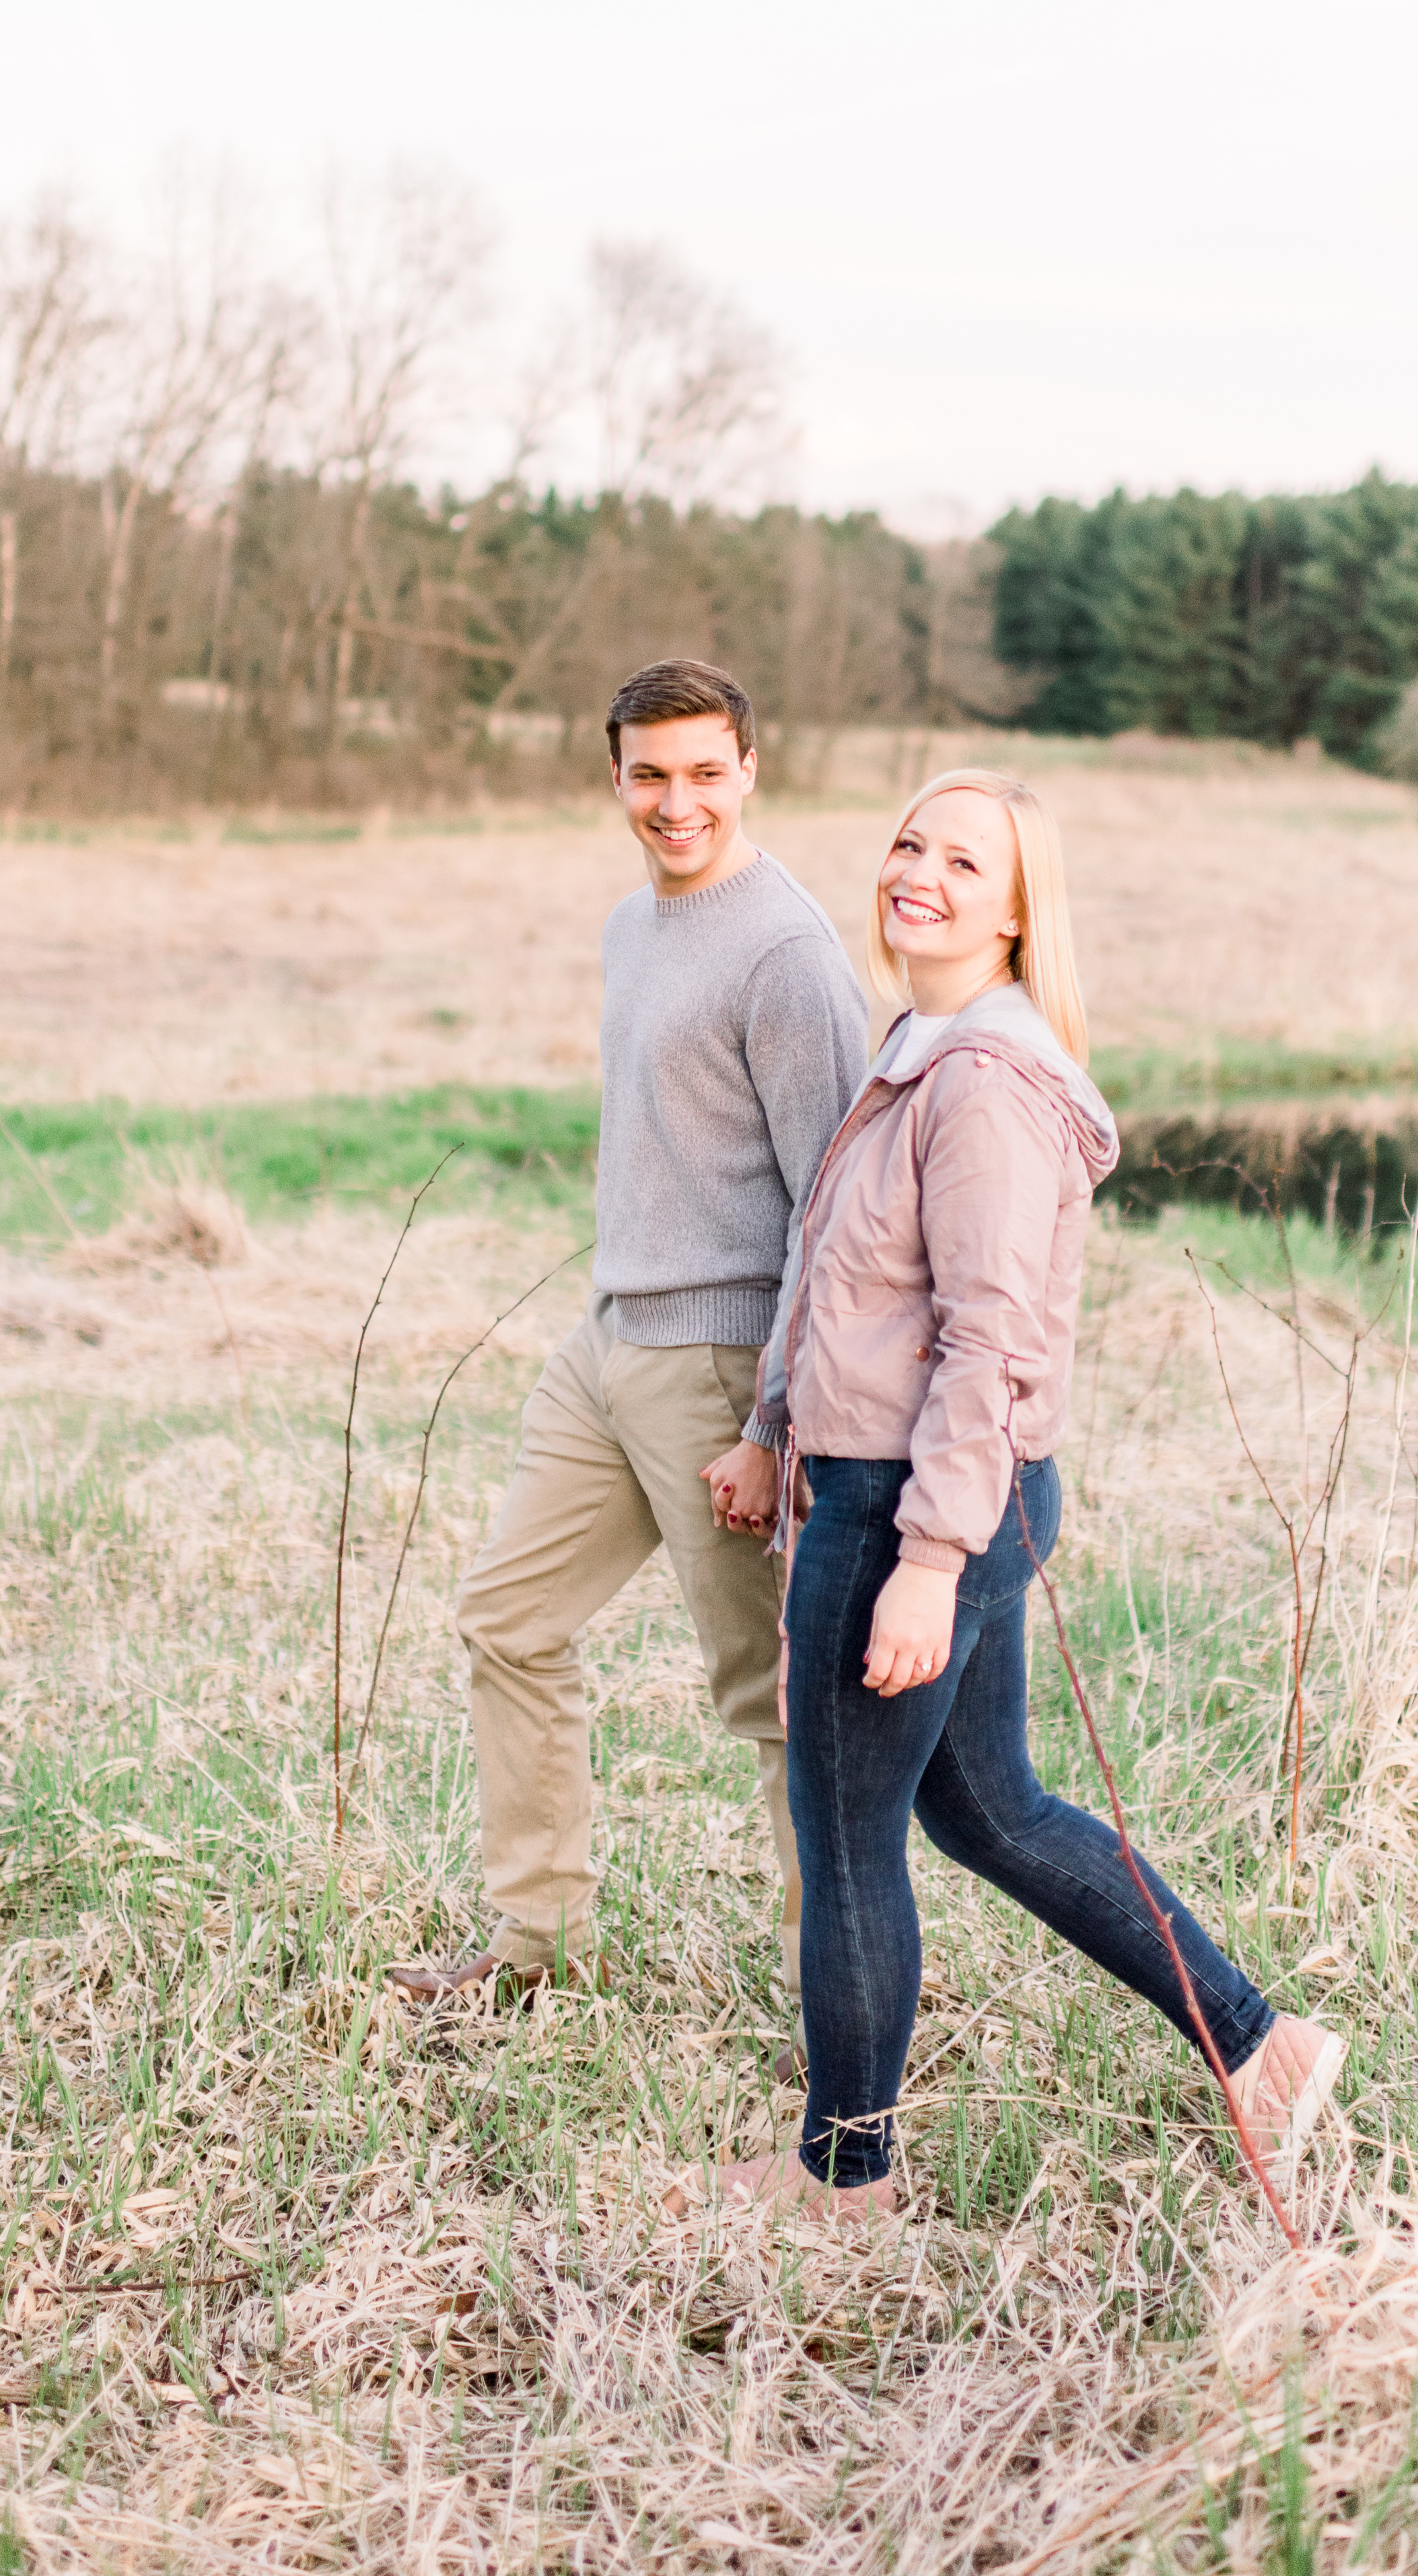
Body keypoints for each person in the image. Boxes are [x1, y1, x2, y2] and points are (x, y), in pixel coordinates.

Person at [721, 768, 1344, 2213]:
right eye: (906, 843)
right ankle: (1265, 2051)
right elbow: (837, 1278)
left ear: (1013, 916)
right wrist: (768, 1424)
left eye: (960, 860)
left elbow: (989, 1347)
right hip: (910, 1487)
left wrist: (927, 1559)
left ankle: (840, 2183)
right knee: (992, 1813)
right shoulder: (923, 1045)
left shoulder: (986, 1086)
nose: (916, 873)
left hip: (912, 1507)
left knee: (851, 1837)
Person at [391, 657, 867, 2008]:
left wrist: (773, 1423)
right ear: (615, 777)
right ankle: (532, 1949)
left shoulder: (786, 953)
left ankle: (837, 2003)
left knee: (774, 1698)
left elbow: (834, 1212)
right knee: (508, 1620)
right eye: (650, 774)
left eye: (705, 772)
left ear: (749, 771)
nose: (677, 801)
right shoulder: (630, 927)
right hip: (607, 1347)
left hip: (723, 1370)